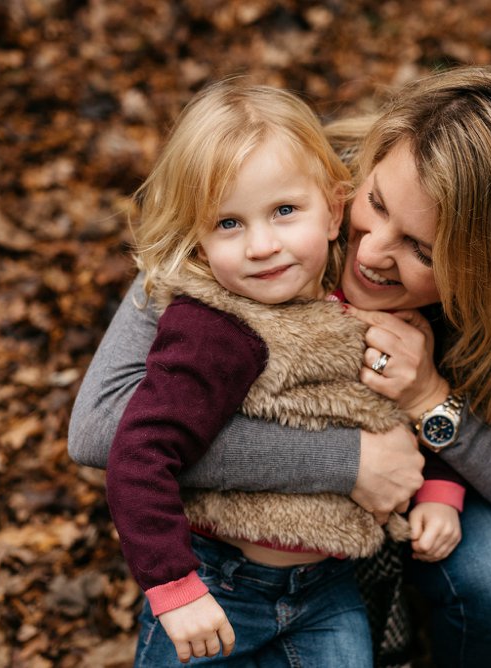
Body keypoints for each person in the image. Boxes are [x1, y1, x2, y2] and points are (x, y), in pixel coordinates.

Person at [71, 65, 491, 667]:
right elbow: (101, 425)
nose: (369, 252)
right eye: (376, 202)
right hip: (244, 553)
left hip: (408, 522)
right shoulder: (272, 185)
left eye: (421, 250)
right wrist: (346, 462)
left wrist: (429, 404)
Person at [105, 80, 465, 666]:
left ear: (334, 208)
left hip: (327, 591)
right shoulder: (213, 331)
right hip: (221, 583)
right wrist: (174, 589)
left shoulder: (362, 308)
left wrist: (439, 494)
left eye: (284, 211)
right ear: (197, 241)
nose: (261, 245)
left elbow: (394, 405)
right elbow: (140, 451)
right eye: (228, 224)